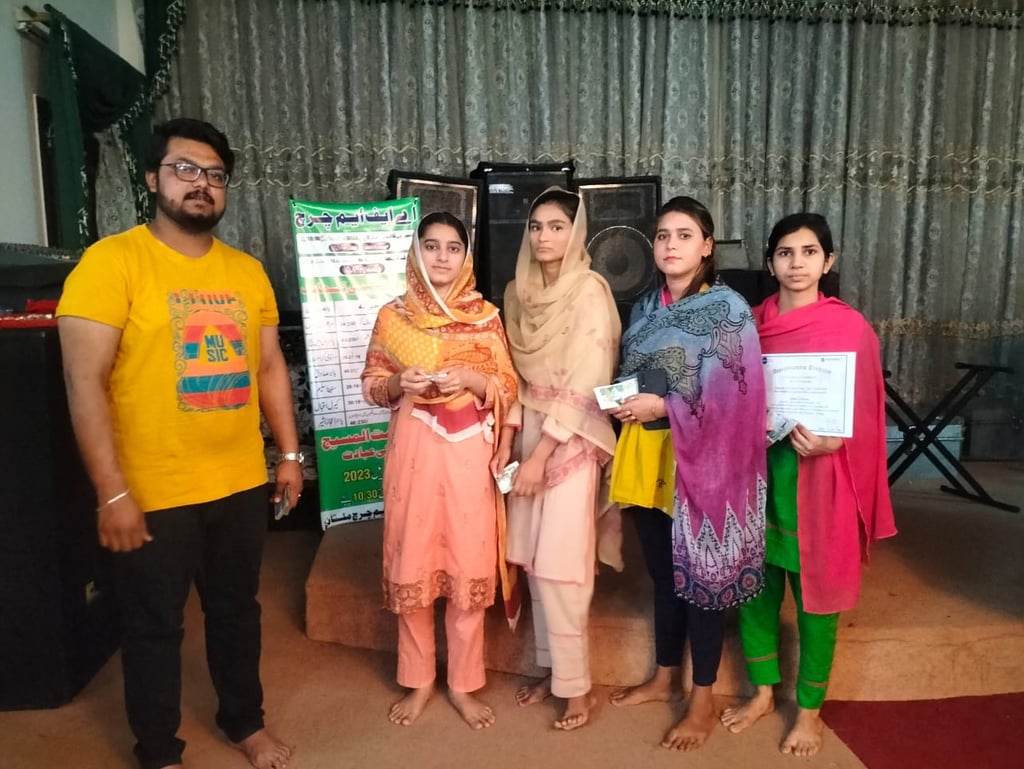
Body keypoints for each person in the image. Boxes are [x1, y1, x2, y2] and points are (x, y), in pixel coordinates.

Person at [56, 118, 298, 769]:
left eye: (215, 174)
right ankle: (159, 750)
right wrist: (112, 492)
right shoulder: (111, 263)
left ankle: (244, 721)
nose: (201, 184)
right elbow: (83, 384)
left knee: (237, 612)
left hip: (239, 481)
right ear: (152, 178)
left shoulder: (247, 271)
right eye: (186, 169)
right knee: (154, 626)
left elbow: (269, 366)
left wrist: (289, 454)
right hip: (151, 488)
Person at [720, 213, 897, 756]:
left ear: (828, 261)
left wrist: (834, 442)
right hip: (758, 475)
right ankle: (762, 692)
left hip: (822, 480)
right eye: (785, 253)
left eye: (809, 252)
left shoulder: (851, 329)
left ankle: (809, 711)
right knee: (754, 590)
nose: (796, 263)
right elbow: (726, 395)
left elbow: (867, 414)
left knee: (819, 602)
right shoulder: (747, 325)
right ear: (770, 263)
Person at [605, 196, 767, 750]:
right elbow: (634, 374)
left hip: (703, 463)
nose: (670, 245)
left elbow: (739, 396)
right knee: (664, 574)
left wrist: (664, 406)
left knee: (702, 582)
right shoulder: (644, 308)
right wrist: (623, 400)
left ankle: (703, 697)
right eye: (662, 236)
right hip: (647, 457)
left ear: (706, 246)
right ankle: (663, 675)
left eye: (684, 235)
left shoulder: (728, 310)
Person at [361, 212, 518, 730]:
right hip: (414, 452)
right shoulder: (393, 316)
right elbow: (372, 381)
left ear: (466, 257)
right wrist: (397, 383)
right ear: (416, 252)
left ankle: (463, 684)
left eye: (453, 247)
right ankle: (420, 679)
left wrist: (473, 378)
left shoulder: (486, 318)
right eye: (431, 246)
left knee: (467, 561)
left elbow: (508, 387)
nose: (442, 257)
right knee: (415, 557)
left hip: (470, 454)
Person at [490, 188, 622, 731]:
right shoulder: (516, 293)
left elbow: (589, 378)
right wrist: (510, 444)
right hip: (527, 437)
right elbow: (512, 377)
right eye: (536, 226)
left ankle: (578, 690)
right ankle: (555, 673)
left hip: (571, 438)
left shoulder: (589, 291)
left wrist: (543, 454)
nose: (544, 236)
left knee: (563, 567)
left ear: (577, 232)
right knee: (534, 562)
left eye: (557, 226)